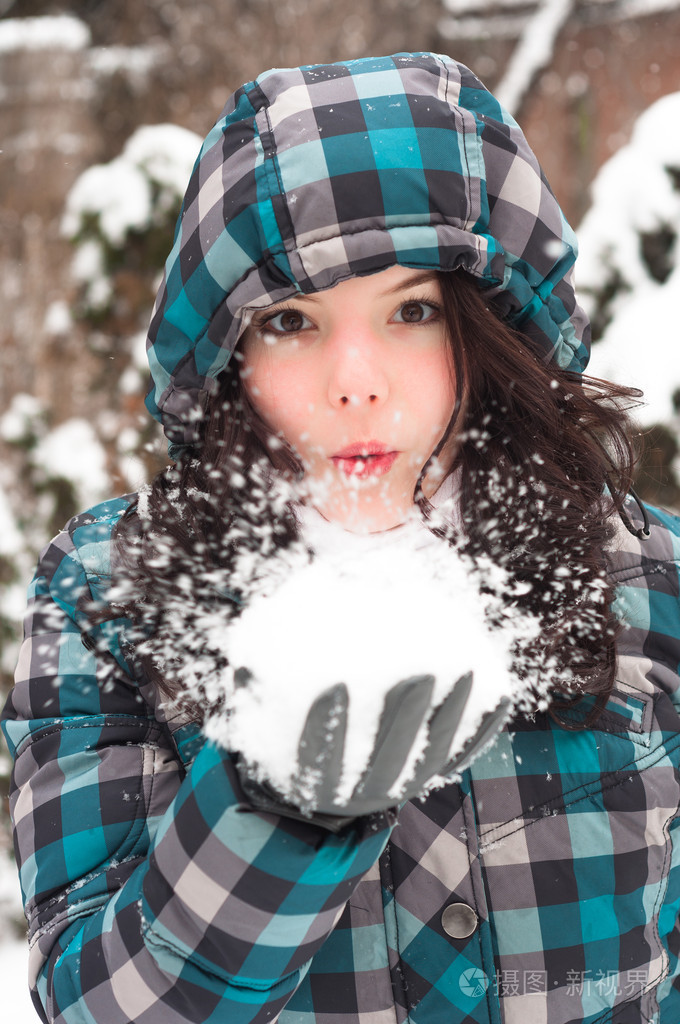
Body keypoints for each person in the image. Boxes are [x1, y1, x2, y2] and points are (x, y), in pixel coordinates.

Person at [3, 51, 680, 1024]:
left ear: (493, 326)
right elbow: (97, 1006)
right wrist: (272, 814)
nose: (353, 381)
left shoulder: (646, 577)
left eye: (410, 309)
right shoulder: (115, 592)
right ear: (224, 355)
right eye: (289, 319)